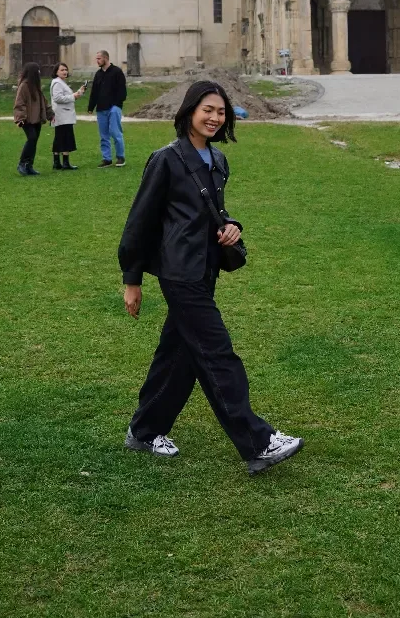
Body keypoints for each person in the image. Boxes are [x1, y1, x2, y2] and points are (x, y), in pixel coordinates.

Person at [118, 80, 304, 477]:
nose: (215, 118)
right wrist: (132, 279)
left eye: (221, 112)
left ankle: (144, 430)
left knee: (179, 355)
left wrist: (231, 225)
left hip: (205, 269)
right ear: (189, 111)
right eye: (208, 110)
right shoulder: (165, 160)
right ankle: (259, 441)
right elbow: (140, 222)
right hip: (178, 273)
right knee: (217, 354)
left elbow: (212, 211)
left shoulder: (217, 161)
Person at [87, 50, 127, 168]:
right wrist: (91, 107)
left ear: (105, 58)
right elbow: (94, 92)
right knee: (103, 135)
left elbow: (122, 91)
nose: (97, 61)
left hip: (114, 108)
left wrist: (116, 105)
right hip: (101, 109)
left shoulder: (117, 72)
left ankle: (120, 157)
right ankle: (107, 159)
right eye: (97, 59)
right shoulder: (98, 74)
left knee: (115, 132)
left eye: (99, 58)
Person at [13, 62, 54, 175]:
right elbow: (19, 103)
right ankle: (22, 163)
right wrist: (20, 118)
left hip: (37, 119)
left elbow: (43, 102)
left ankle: (29, 165)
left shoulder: (36, 86)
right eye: (37, 71)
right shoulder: (24, 86)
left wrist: (50, 114)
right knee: (31, 138)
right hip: (27, 120)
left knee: (34, 141)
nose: (39, 73)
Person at [50, 63, 86, 170]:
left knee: (61, 138)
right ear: (56, 72)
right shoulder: (57, 83)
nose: (65, 72)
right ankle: (64, 162)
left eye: (66, 69)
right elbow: (58, 98)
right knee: (64, 138)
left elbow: (68, 97)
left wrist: (79, 93)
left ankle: (57, 162)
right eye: (62, 70)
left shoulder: (61, 83)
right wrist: (73, 96)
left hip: (65, 114)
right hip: (62, 115)